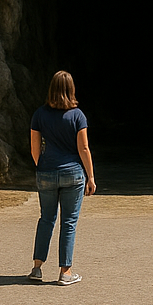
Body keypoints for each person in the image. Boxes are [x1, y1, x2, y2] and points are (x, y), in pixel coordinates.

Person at [28, 70, 96, 285]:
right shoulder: (78, 116)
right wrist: (91, 177)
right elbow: (83, 148)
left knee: (46, 219)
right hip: (73, 174)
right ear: (71, 89)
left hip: (47, 172)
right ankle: (65, 273)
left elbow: (34, 147)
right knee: (69, 222)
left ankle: (37, 268)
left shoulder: (40, 114)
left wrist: (43, 166)